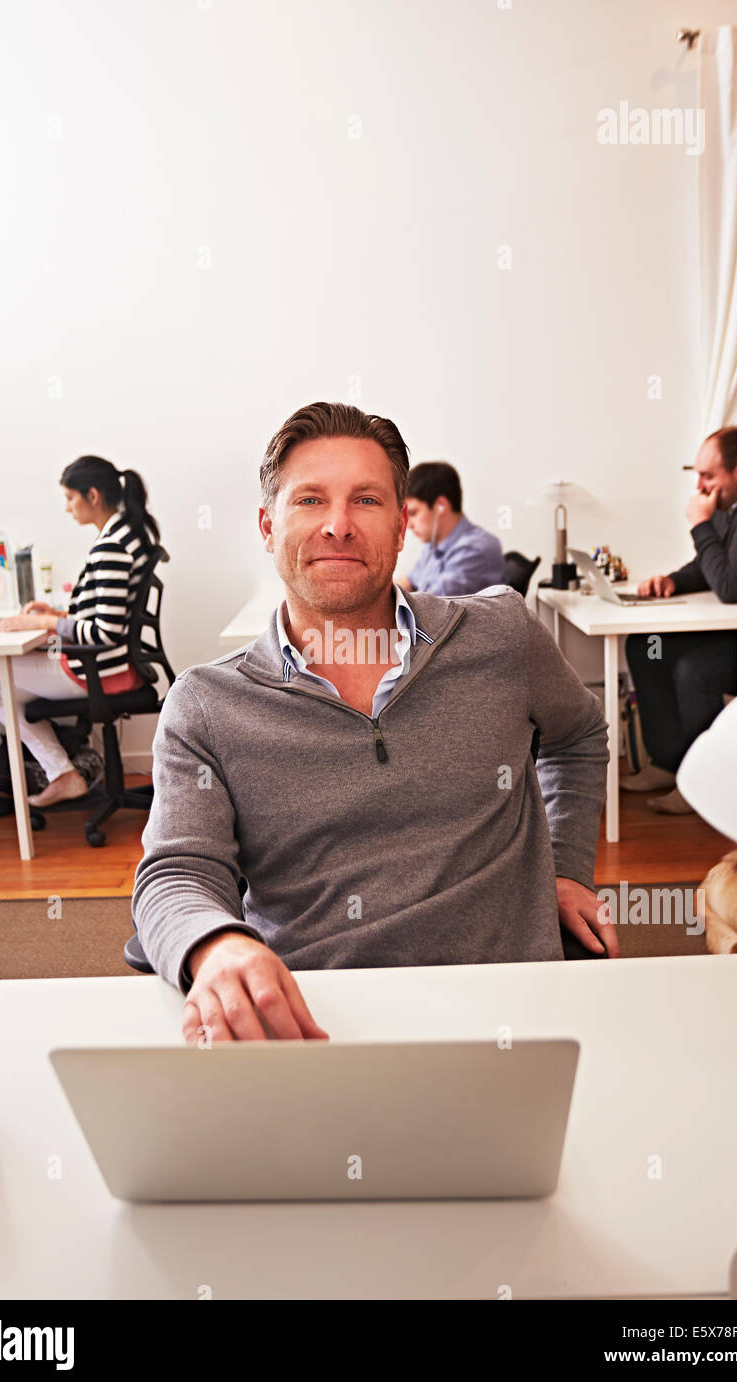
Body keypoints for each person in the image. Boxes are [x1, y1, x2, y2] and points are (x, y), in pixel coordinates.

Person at [132, 401, 614, 1047]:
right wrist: (216, 946)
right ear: (267, 527)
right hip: (312, 1022)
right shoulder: (206, 705)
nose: (338, 525)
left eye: (365, 500)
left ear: (400, 526)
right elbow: (177, 873)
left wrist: (567, 868)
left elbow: (578, 735)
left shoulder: (500, 634)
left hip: (506, 1010)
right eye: (309, 500)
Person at [0, 456, 159, 807]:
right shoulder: (124, 534)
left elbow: (104, 632)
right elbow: (104, 610)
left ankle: (48, 769)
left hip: (101, 670)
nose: (68, 508)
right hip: (110, 666)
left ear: (93, 496)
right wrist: (56, 613)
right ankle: (38, 765)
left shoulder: (111, 547)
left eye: (71, 498)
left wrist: (44, 623)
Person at [622, 426, 737, 814]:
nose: (700, 485)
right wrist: (673, 581)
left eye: (708, 475)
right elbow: (710, 566)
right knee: (646, 648)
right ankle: (669, 763)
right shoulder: (732, 504)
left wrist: (699, 525)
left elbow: (728, 584)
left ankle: (703, 781)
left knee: (694, 670)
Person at [394, 461, 509, 595]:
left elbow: (430, 609)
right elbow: (410, 580)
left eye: (413, 513)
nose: (409, 525)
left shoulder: (474, 551)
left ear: (441, 506)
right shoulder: (434, 544)